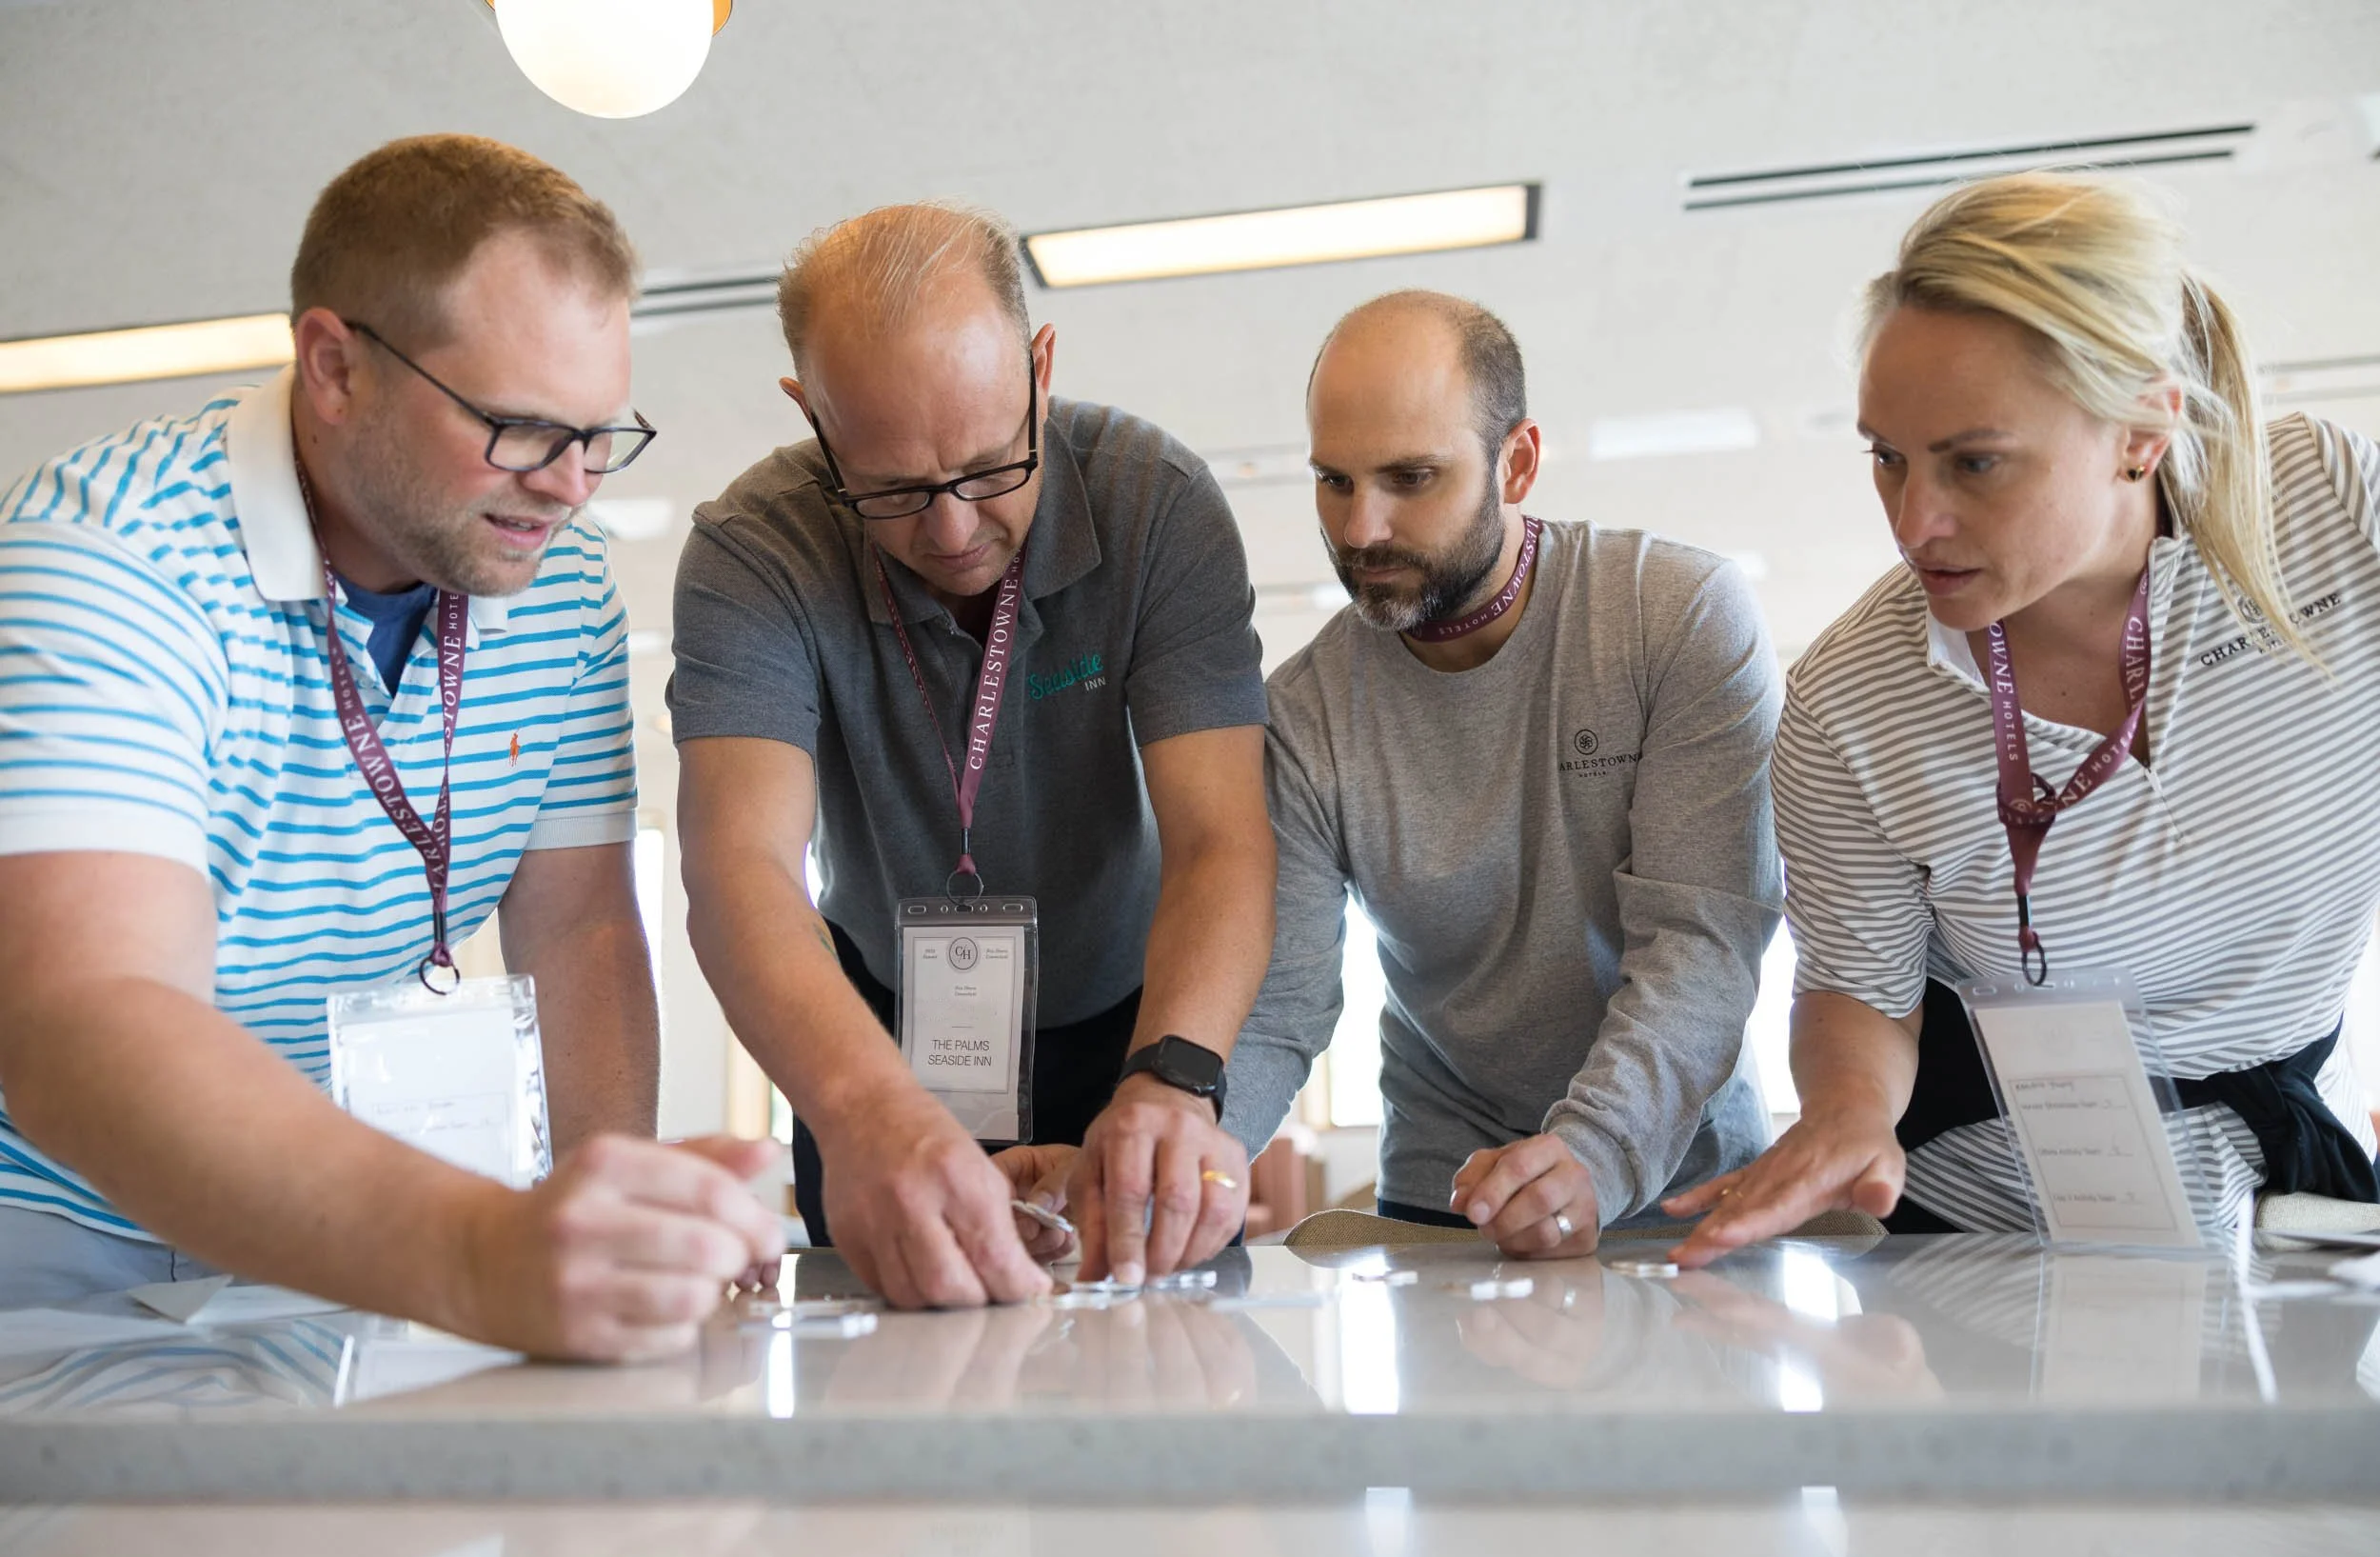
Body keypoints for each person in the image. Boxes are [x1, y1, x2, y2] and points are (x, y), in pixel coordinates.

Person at [0, 135, 782, 1358]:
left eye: (599, 433)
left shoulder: (560, 584)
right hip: (54, 1230)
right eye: (522, 428)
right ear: (334, 366)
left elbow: (576, 921)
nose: (572, 485)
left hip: (334, 1207)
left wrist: (607, 1220)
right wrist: (476, 1250)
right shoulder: (108, 560)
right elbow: (85, 1015)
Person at [1670, 172, 2380, 1264]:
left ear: (2140, 429)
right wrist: (1847, 1109)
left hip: (2292, 1208)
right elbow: (1860, 988)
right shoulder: (1848, 703)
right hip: (1997, 1230)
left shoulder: (2329, 510)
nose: (1915, 520)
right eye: (1886, 456)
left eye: (1975, 461)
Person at [670, 202, 1277, 1307]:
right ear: (813, 419)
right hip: (874, 1041)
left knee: (1144, 1364)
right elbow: (739, 866)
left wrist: (1175, 1079)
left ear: (1042, 369)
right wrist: (863, 1111)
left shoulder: (1156, 503)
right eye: (893, 490)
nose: (952, 532)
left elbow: (1221, 837)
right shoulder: (750, 551)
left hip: (1134, 1020)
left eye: (993, 468)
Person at [1229, 289, 1780, 1258]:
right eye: (1333, 481)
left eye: (1410, 477)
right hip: (1445, 1192)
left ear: (1516, 460)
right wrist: (1193, 1159)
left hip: (1683, 1187)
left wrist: (1595, 1149)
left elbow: (1703, 938)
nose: (1360, 528)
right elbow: (1281, 1002)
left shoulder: (1677, 617)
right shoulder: (1305, 711)